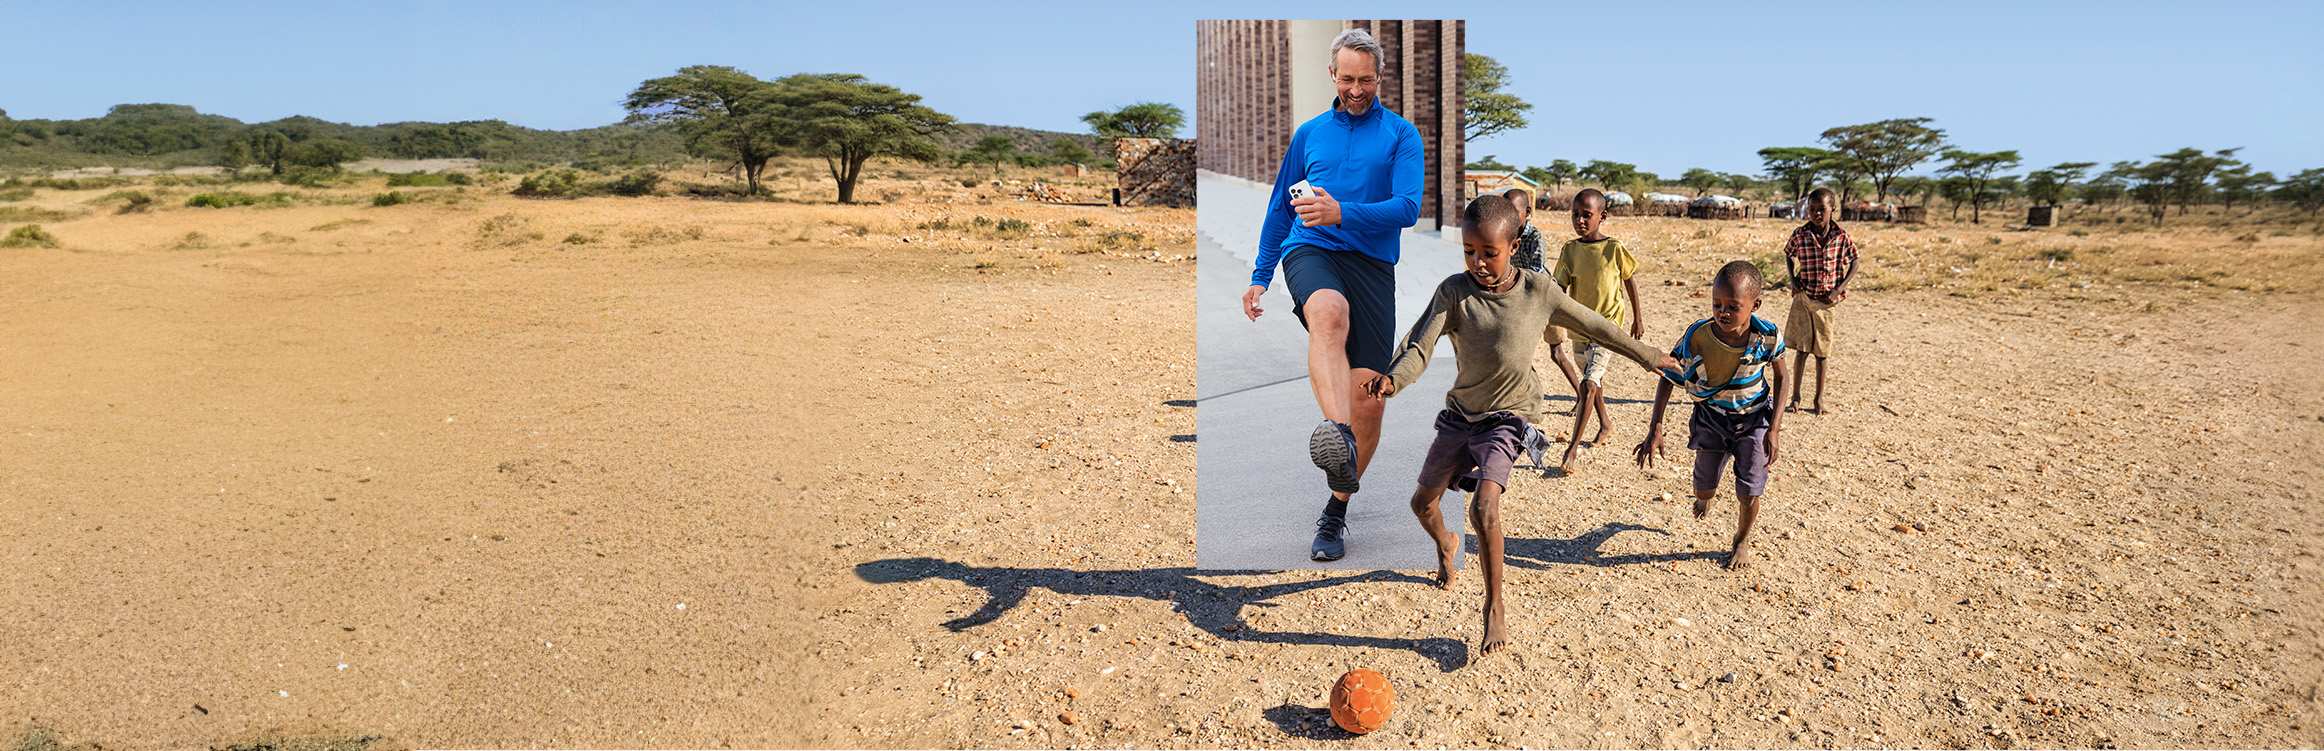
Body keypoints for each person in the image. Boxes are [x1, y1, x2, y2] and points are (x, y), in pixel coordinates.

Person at [1366, 195, 1678, 656]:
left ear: (1513, 245)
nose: (1478, 262)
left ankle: (1494, 607)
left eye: (1489, 253)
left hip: (1510, 415)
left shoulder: (1538, 291)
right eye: (1469, 251)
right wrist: (1393, 380)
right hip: (1462, 413)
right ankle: (1447, 543)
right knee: (1422, 503)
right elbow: (1419, 345)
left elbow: (1597, 325)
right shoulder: (1454, 291)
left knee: (1484, 509)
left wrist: (1652, 358)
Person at [1239, 28, 1425, 562]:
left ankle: (1335, 510)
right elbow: (1280, 206)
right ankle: (1335, 433)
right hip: (1311, 248)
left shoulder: (1401, 135)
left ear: (1380, 77)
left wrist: (1343, 210)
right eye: (1348, 78)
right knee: (1328, 313)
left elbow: (1408, 207)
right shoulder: (1310, 133)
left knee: (1369, 400)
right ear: (1332, 75)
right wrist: (1260, 273)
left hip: (1371, 263)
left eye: (1366, 79)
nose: (1357, 88)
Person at [1634, 260, 1788, 570]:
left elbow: (1782, 378)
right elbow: (1669, 373)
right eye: (1717, 304)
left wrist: (1774, 428)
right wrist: (1656, 427)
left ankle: (1742, 539)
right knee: (1703, 487)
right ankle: (1706, 497)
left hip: (1753, 420)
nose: (1723, 312)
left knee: (1749, 490)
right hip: (1712, 418)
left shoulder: (1767, 336)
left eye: (1733, 306)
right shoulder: (1698, 335)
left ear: (1755, 305)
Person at [1551, 189, 1649, 474]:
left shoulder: (1614, 248)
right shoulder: (1570, 250)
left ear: (1602, 217)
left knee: (1589, 384)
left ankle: (1572, 447)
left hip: (1608, 327)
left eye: (1587, 215)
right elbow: (1559, 287)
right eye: (1575, 215)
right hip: (1580, 328)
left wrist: (1637, 318)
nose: (1580, 220)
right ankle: (1606, 424)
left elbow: (1629, 281)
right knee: (1592, 381)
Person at [1783, 187, 1858, 414]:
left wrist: (1839, 288)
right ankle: (1795, 397)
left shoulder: (1841, 237)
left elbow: (1855, 261)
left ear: (1832, 209)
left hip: (1827, 303)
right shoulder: (1800, 234)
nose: (1816, 214)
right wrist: (1793, 279)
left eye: (1821, 210)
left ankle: (1818, 400)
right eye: (1812, 209)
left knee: (1822, 354)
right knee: (1802, 351)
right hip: (1805, 298)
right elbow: (1788, 253)